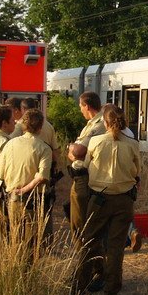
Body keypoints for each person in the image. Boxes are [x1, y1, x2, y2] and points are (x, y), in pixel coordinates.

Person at [73, 105, 141, 295]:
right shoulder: (132, 144)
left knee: (89, 243)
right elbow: (137, 171)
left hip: (99, 200)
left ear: (105, 122)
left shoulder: (95, 141)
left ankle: (78, 290)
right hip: (124, 201)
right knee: (116, 247)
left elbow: (84, 165)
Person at [1, 109, 53, 264]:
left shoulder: (9, 144)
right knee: (31, 244)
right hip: (32, 199)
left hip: (12, 198)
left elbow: (2, 171)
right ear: (40, 126)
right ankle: (27, 280)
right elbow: (43, 176)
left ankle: (15, 274)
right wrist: (25, 188)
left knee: (16, 240)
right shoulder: (44, 148)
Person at [67, 92, 106, 242]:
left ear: (87, 106)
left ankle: (84, 258)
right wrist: (72, 151)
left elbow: (78, 151)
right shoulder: (91, 124)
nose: (80, 110)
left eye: (80, 107)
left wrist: (71, 148)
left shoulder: (99, 125)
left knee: (80, 223)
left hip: (85, 177)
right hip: (79, 176)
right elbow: (74, 153)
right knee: (78, 220)